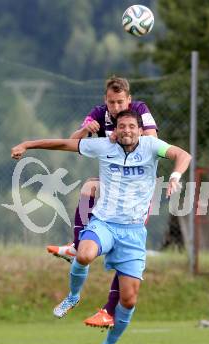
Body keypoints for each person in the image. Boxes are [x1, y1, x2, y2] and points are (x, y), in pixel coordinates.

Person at [11, 109, 191, 344]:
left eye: (132, 126)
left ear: (140, 130)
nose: (127, 131)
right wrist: (28, 144)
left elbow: (182, 155)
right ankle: (73, 296)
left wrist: (175, 176)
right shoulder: (103, 146)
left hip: (132, 233)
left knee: (129, 301)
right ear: (115, 131)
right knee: (84, 254)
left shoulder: (152, 146)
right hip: (104, 223)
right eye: (122, 127)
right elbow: (64, 144)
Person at [47, 76, 158, 328]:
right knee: (88, 187)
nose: (116, 107)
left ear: (128, 100)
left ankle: (108, 310)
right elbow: (73, 141)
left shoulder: (139, 111)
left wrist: (120, 136)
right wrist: (87, 129)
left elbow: (150, 139)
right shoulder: (99, 114)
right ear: (105, 101)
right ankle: (77, 246)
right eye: (111, 102)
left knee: (125, 248)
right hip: (114, 181)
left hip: (137, 189)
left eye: (120, 102)